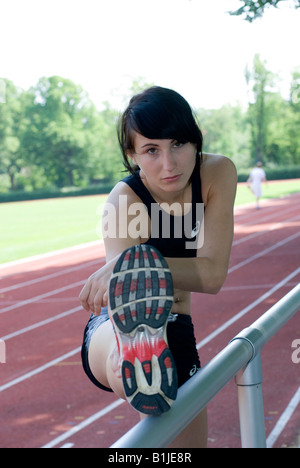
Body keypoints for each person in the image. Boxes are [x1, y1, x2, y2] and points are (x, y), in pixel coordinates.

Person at [79, 86, 237, 448]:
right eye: (151, 150)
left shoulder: (216, 173)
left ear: (197, 141)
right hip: (114, 328)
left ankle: (144, 367)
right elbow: (126, 293)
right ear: (131, 154)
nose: (170, 164)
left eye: (178, 143)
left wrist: (138, 262)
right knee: (128, 345)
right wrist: (131, 270)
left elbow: (212, 275)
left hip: (174, 334)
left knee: (184, 450)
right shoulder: (123, 201)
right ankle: (129, 364)